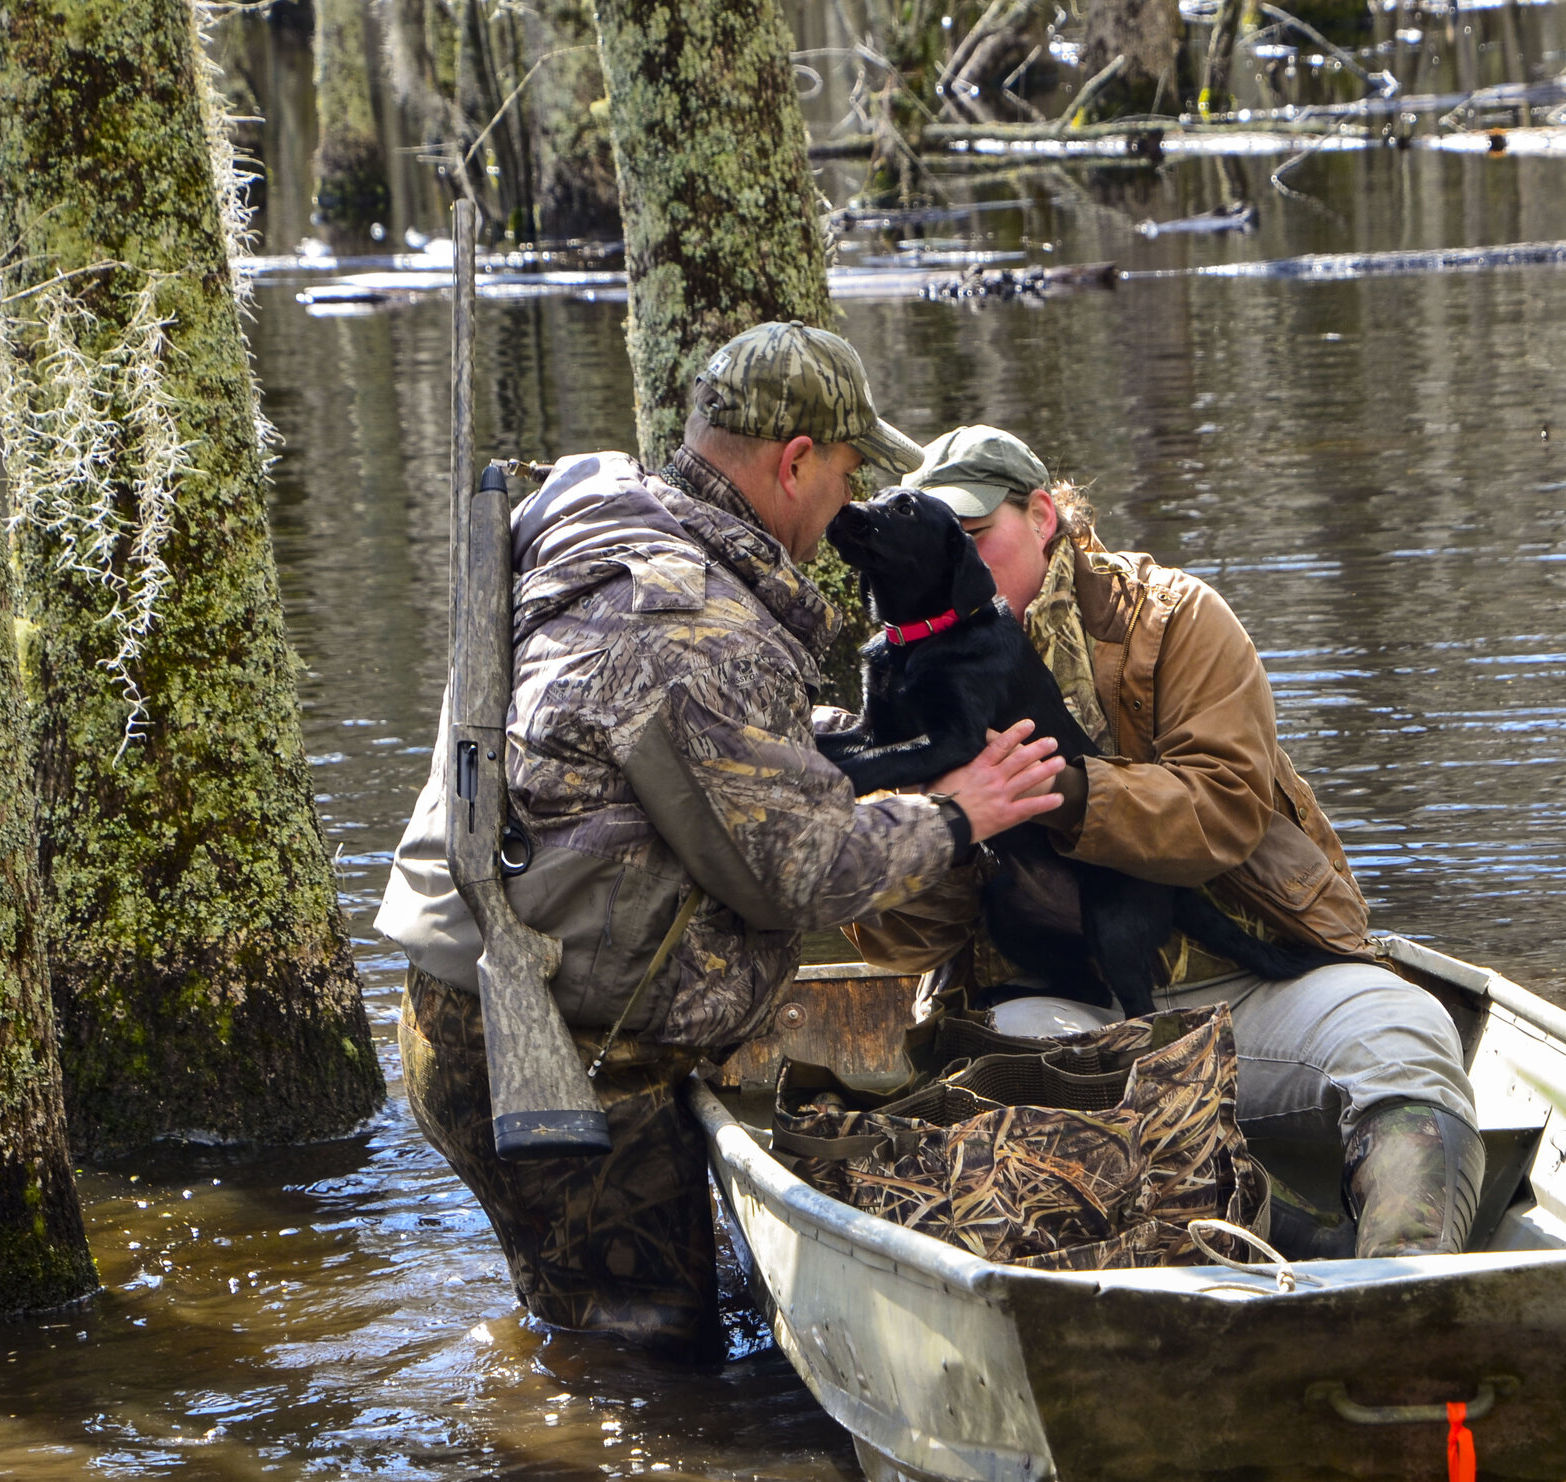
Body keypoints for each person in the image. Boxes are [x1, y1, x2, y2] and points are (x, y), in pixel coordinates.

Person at [375, 327, 1065, 1357]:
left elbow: (682, 752)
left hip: (467, 1011)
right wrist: (960, 812)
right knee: (651, 1376)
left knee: (573, 1339)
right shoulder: (703, 626)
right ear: (793, 461)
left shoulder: (600, 519)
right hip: (566, 1066)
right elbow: (802, 872)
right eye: (843, 473)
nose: (848, 506)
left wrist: (854, 743)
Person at [849, 425, 1485, 1258]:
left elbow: (1223, 807)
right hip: (1052, 1007)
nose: (958, 560)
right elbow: (897, 942)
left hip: (1243, 987)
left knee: (1405, 1029)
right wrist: (946, 825)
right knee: (1012, 1096)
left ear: (1043, 515)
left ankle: (1404, 1286)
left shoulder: (1174, 619)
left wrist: (1060, 792)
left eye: (975, 536)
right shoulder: (904, 664)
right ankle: (1275, 1241)